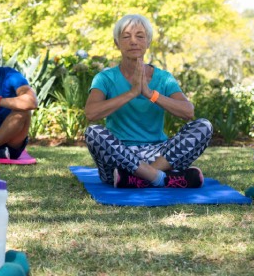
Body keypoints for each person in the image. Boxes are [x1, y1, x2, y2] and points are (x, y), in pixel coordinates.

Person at [83, 14, 212, 188]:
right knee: (93, 132)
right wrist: (132, 93)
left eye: (140, 36)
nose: (133, 41)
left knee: (204, 126)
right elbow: (91, 113)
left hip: (159, 154)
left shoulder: (164, 78)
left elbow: (188, 112)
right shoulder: (104, 78)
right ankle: (162, 178)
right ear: (117, 43)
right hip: (119, 155)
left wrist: (150, 94)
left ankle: (141, 176)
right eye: (126, 37)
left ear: (148, 41)